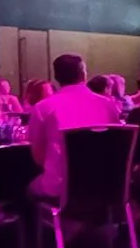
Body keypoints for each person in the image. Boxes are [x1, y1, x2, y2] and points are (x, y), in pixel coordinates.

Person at [28, 52, 122, 199]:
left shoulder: (43, 108)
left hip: (62, 188)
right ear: (84, 75)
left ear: (57, 77)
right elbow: (117, 145)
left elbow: (38, 156)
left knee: (25, 188)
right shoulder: (107, 105)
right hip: (106, 183)